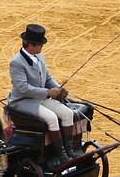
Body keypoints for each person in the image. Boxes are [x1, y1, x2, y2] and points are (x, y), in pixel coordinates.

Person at [6, 24, 81, 169]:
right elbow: (23, 89)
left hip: (40, 98)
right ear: (30, 45)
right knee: (52, 118)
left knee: (67, 113)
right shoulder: (16, 63)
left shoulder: (39, 56)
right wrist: (47, 92)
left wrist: (58, 89)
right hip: (23, 101)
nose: (42, 47)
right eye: (40, 44)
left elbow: (47, 78)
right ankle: (61, 155)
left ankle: (70, 150)